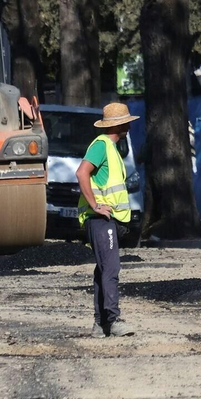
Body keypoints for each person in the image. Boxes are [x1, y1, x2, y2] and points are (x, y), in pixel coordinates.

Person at [77, 102, 139, 338]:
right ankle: (113, 321)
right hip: (101, 219)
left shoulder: (111, 148)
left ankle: (100, 324)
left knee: (103, 269)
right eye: (127, 122)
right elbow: (81, 172)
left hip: (105, 219)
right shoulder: (102, 145)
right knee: (111, 269)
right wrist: (95, 205)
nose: (129, 125)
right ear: (120, 125)